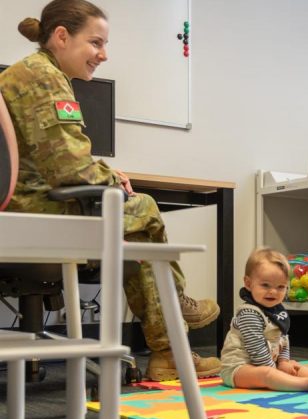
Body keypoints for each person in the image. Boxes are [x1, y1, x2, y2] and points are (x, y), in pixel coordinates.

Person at [0, 0, 221, 381]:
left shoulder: (31, 72)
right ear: (62, 36)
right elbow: (69, 166)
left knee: (132, 232)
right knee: (144, 207)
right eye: (96, 43)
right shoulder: (42, 76)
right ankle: (173, 325)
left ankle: (169, 348)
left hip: (26, 205)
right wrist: (111, 178)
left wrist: (105, 173)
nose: (103, 54)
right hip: (35, 213)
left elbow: (59, 158)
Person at [220, 248, 308, 393]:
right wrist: (279, 370)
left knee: (294, 366)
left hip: (266, 364)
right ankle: (304, 384)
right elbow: (257, 350)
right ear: (248, 283)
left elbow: (283, 338)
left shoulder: (277, 312)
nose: (273, 291)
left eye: (280, 287)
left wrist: (283, 362)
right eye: (265, 285)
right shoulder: (249, 314)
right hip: (238, 370)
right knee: (267, 374)